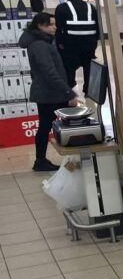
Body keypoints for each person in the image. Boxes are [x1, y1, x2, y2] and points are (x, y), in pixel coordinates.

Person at [20, 13, 77, 172]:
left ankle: (42, 160)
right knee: (47, 126)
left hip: (50, 92)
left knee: (45, 126)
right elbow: (49, 73)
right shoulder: (39, 45)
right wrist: (69, 93)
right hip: (49, 94)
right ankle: (41, 161)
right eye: (51, 24)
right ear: (40, 26)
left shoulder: (43, 41)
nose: (55, 27)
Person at [53, 0, 99, 91]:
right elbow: (97, 27)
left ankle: (70, 89)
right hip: (89, 45)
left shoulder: (62, 8)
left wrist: (60, 43)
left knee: (69, 68)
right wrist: (94, 42)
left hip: (70, 45)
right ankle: (88, 89)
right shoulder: (91, 7)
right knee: (88, 67)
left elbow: (59, 28)